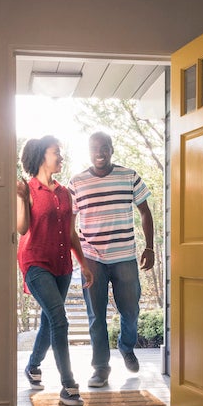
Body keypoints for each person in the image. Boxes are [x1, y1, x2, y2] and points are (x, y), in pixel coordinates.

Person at [68, 131, 155, 388]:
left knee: (131, 310)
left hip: (125, 257)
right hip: (92, 258)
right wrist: (78, 259)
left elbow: (145, 212)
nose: (100, 152)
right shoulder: (77, 182)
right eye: (95, 148)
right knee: (96, 316)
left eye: (104, 147)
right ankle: (100, 368)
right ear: (88, 151)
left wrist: (149, 247)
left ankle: (126, 347)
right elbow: (69, 226)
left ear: (112, 149)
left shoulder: (129, 176)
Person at [17, 135, 93, 406]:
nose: (60, 157)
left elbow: (71, 234)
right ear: (41, 157)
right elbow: (23, 228)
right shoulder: (26, 188)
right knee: (60, 320)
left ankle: (33, 365)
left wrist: (83, 265)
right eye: (55, 153)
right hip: (35, 262)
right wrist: (21, 198)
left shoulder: (64, 193)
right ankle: (68, 385)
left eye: (60, 153)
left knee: (50, 320)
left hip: (62, 264)